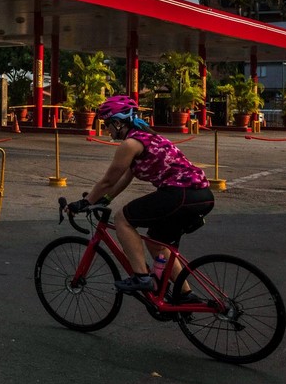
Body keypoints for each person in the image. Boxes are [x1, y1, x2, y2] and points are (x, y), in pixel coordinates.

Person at [67, 95, 214, 296]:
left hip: (180, 193)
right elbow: (126, 176)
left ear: (118, 122)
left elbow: (108, 180)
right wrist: (105, 199)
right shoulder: (148, 137)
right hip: (200, 195)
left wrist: (84, 202)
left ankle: (142, 277)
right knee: (156, 242)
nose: (106, 130)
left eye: (108, 124)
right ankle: (185, 295)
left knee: (122, 219)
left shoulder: (130, 144)